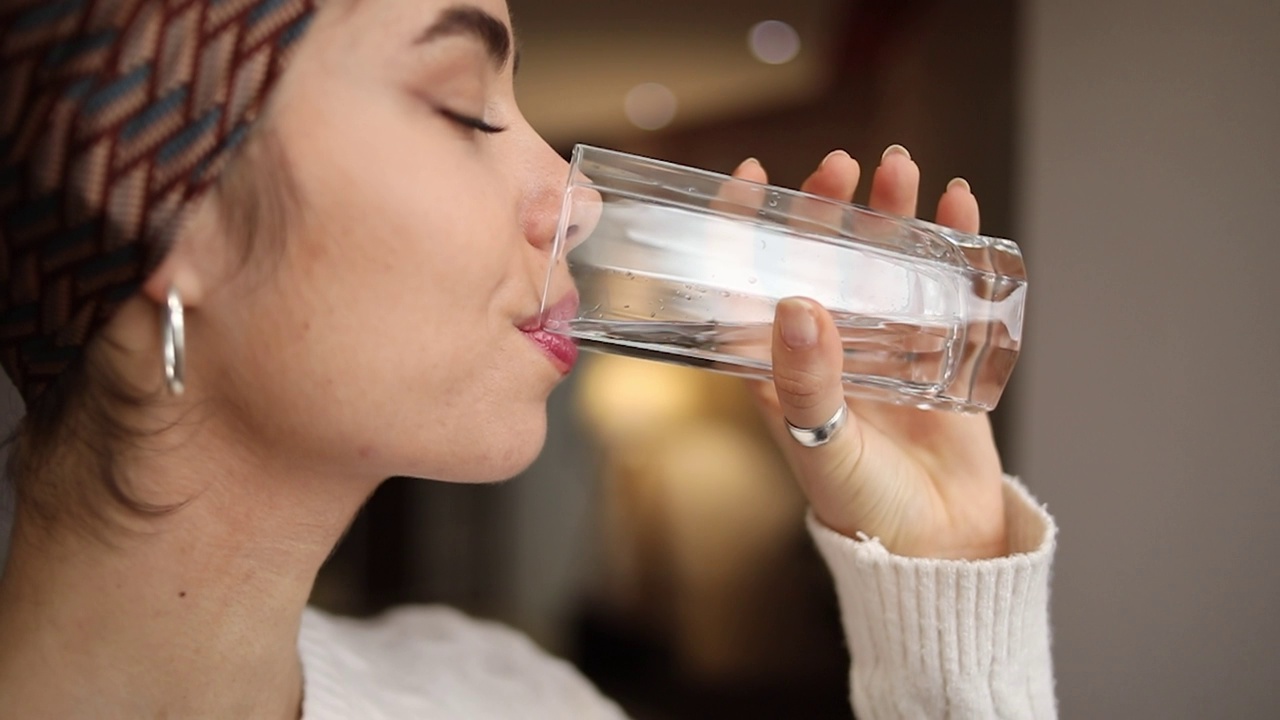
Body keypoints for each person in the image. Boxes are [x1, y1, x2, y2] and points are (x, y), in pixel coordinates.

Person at [0, 0, 1057, 717]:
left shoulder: (503, 694)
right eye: (464, 105)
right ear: (159, 211)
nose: (579, 199)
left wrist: (948, 581)